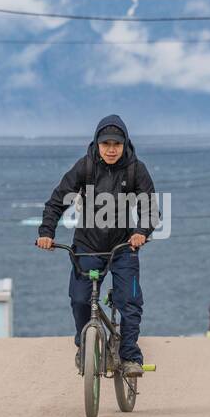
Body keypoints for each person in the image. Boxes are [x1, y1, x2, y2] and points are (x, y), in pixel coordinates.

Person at [36, 114, 156, 377]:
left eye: (116, 144)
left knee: (130, 301)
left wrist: (141, 232)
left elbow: (149, 207)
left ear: (125, 143)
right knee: (80, 299)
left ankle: (129, 357)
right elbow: (56, 202)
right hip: (87, 247)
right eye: (106, 144)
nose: (111, 149)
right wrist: (46, 232)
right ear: (97, 144)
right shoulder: (85, 168)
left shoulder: (136, 169)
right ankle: (84, 344)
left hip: (124, 248)